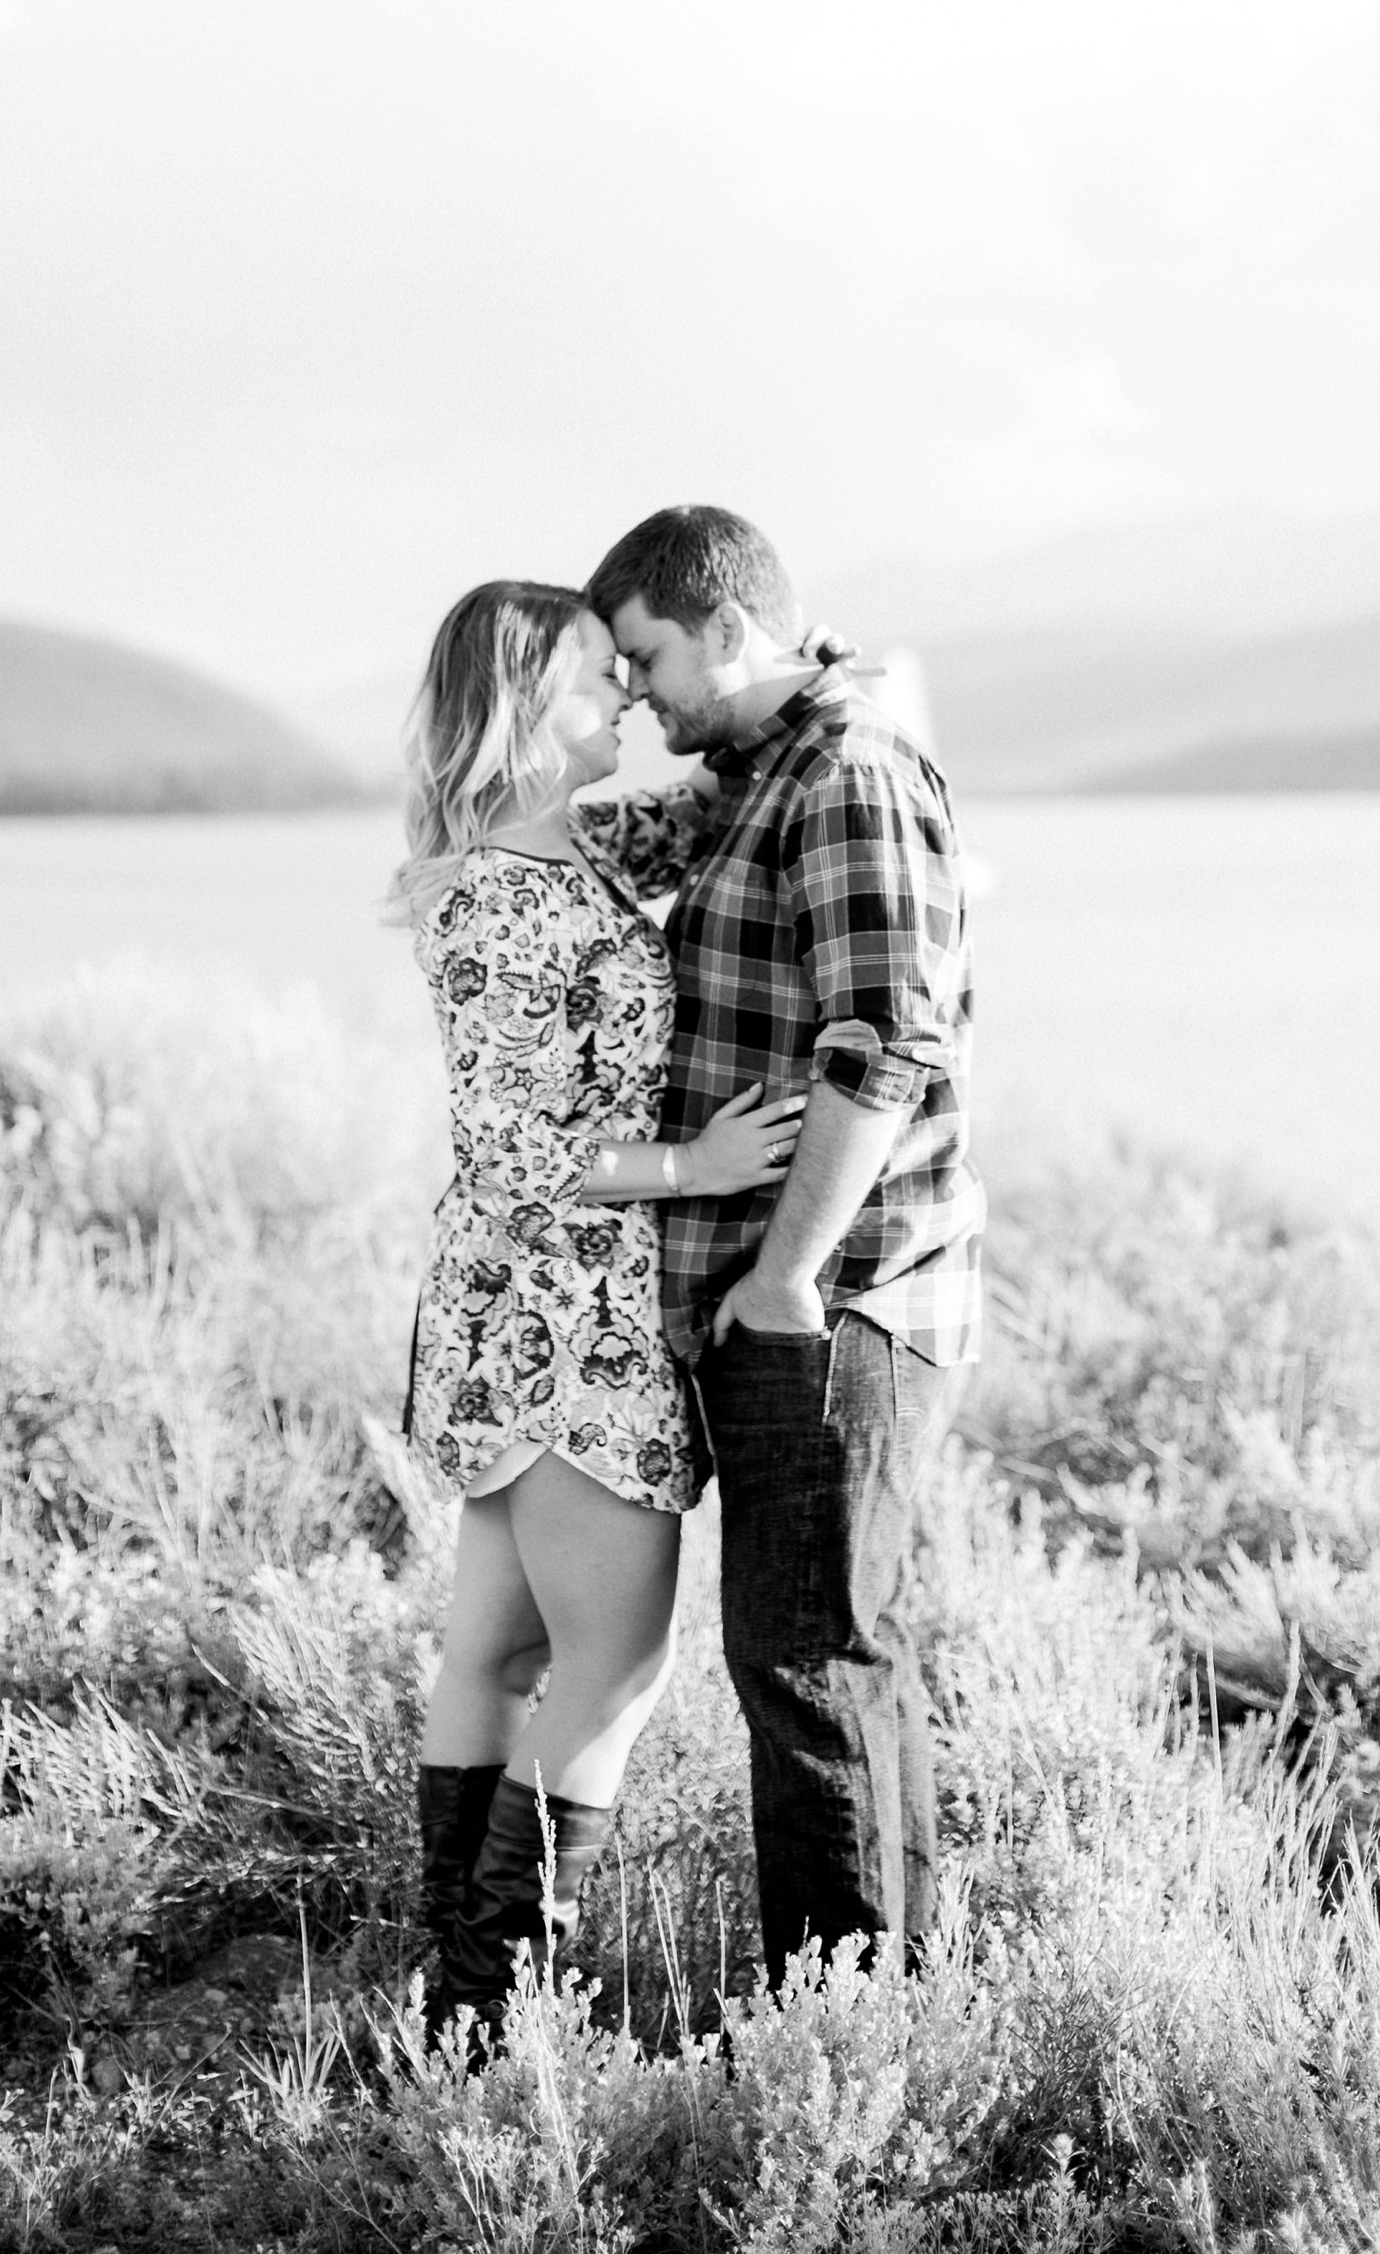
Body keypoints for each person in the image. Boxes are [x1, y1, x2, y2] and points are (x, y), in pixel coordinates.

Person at [394, 579, 805, 2036]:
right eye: (589, 681)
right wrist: (693, 1164)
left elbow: (736, 786)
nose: (623, 699)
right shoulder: (504, 891)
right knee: (614, 1668)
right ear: (518, 711)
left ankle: (464, 2002)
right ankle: (498, 2003)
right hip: (567, 1318)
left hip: (535, 1308)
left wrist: (829, 687)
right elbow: (511, 1147)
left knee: (499, 1653)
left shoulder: (585, 843)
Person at [584, 503, 984, 1987]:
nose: (635, 695)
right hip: (795, 1295)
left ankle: (848, 2037)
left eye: (646, 657)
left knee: (808, 1660)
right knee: (822, 1658)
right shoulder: (766, 766)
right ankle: (888, 2011)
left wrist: (784, 1276)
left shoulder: (851, 769)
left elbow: (882, 1047)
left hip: (839, 1296)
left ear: (729, 628)